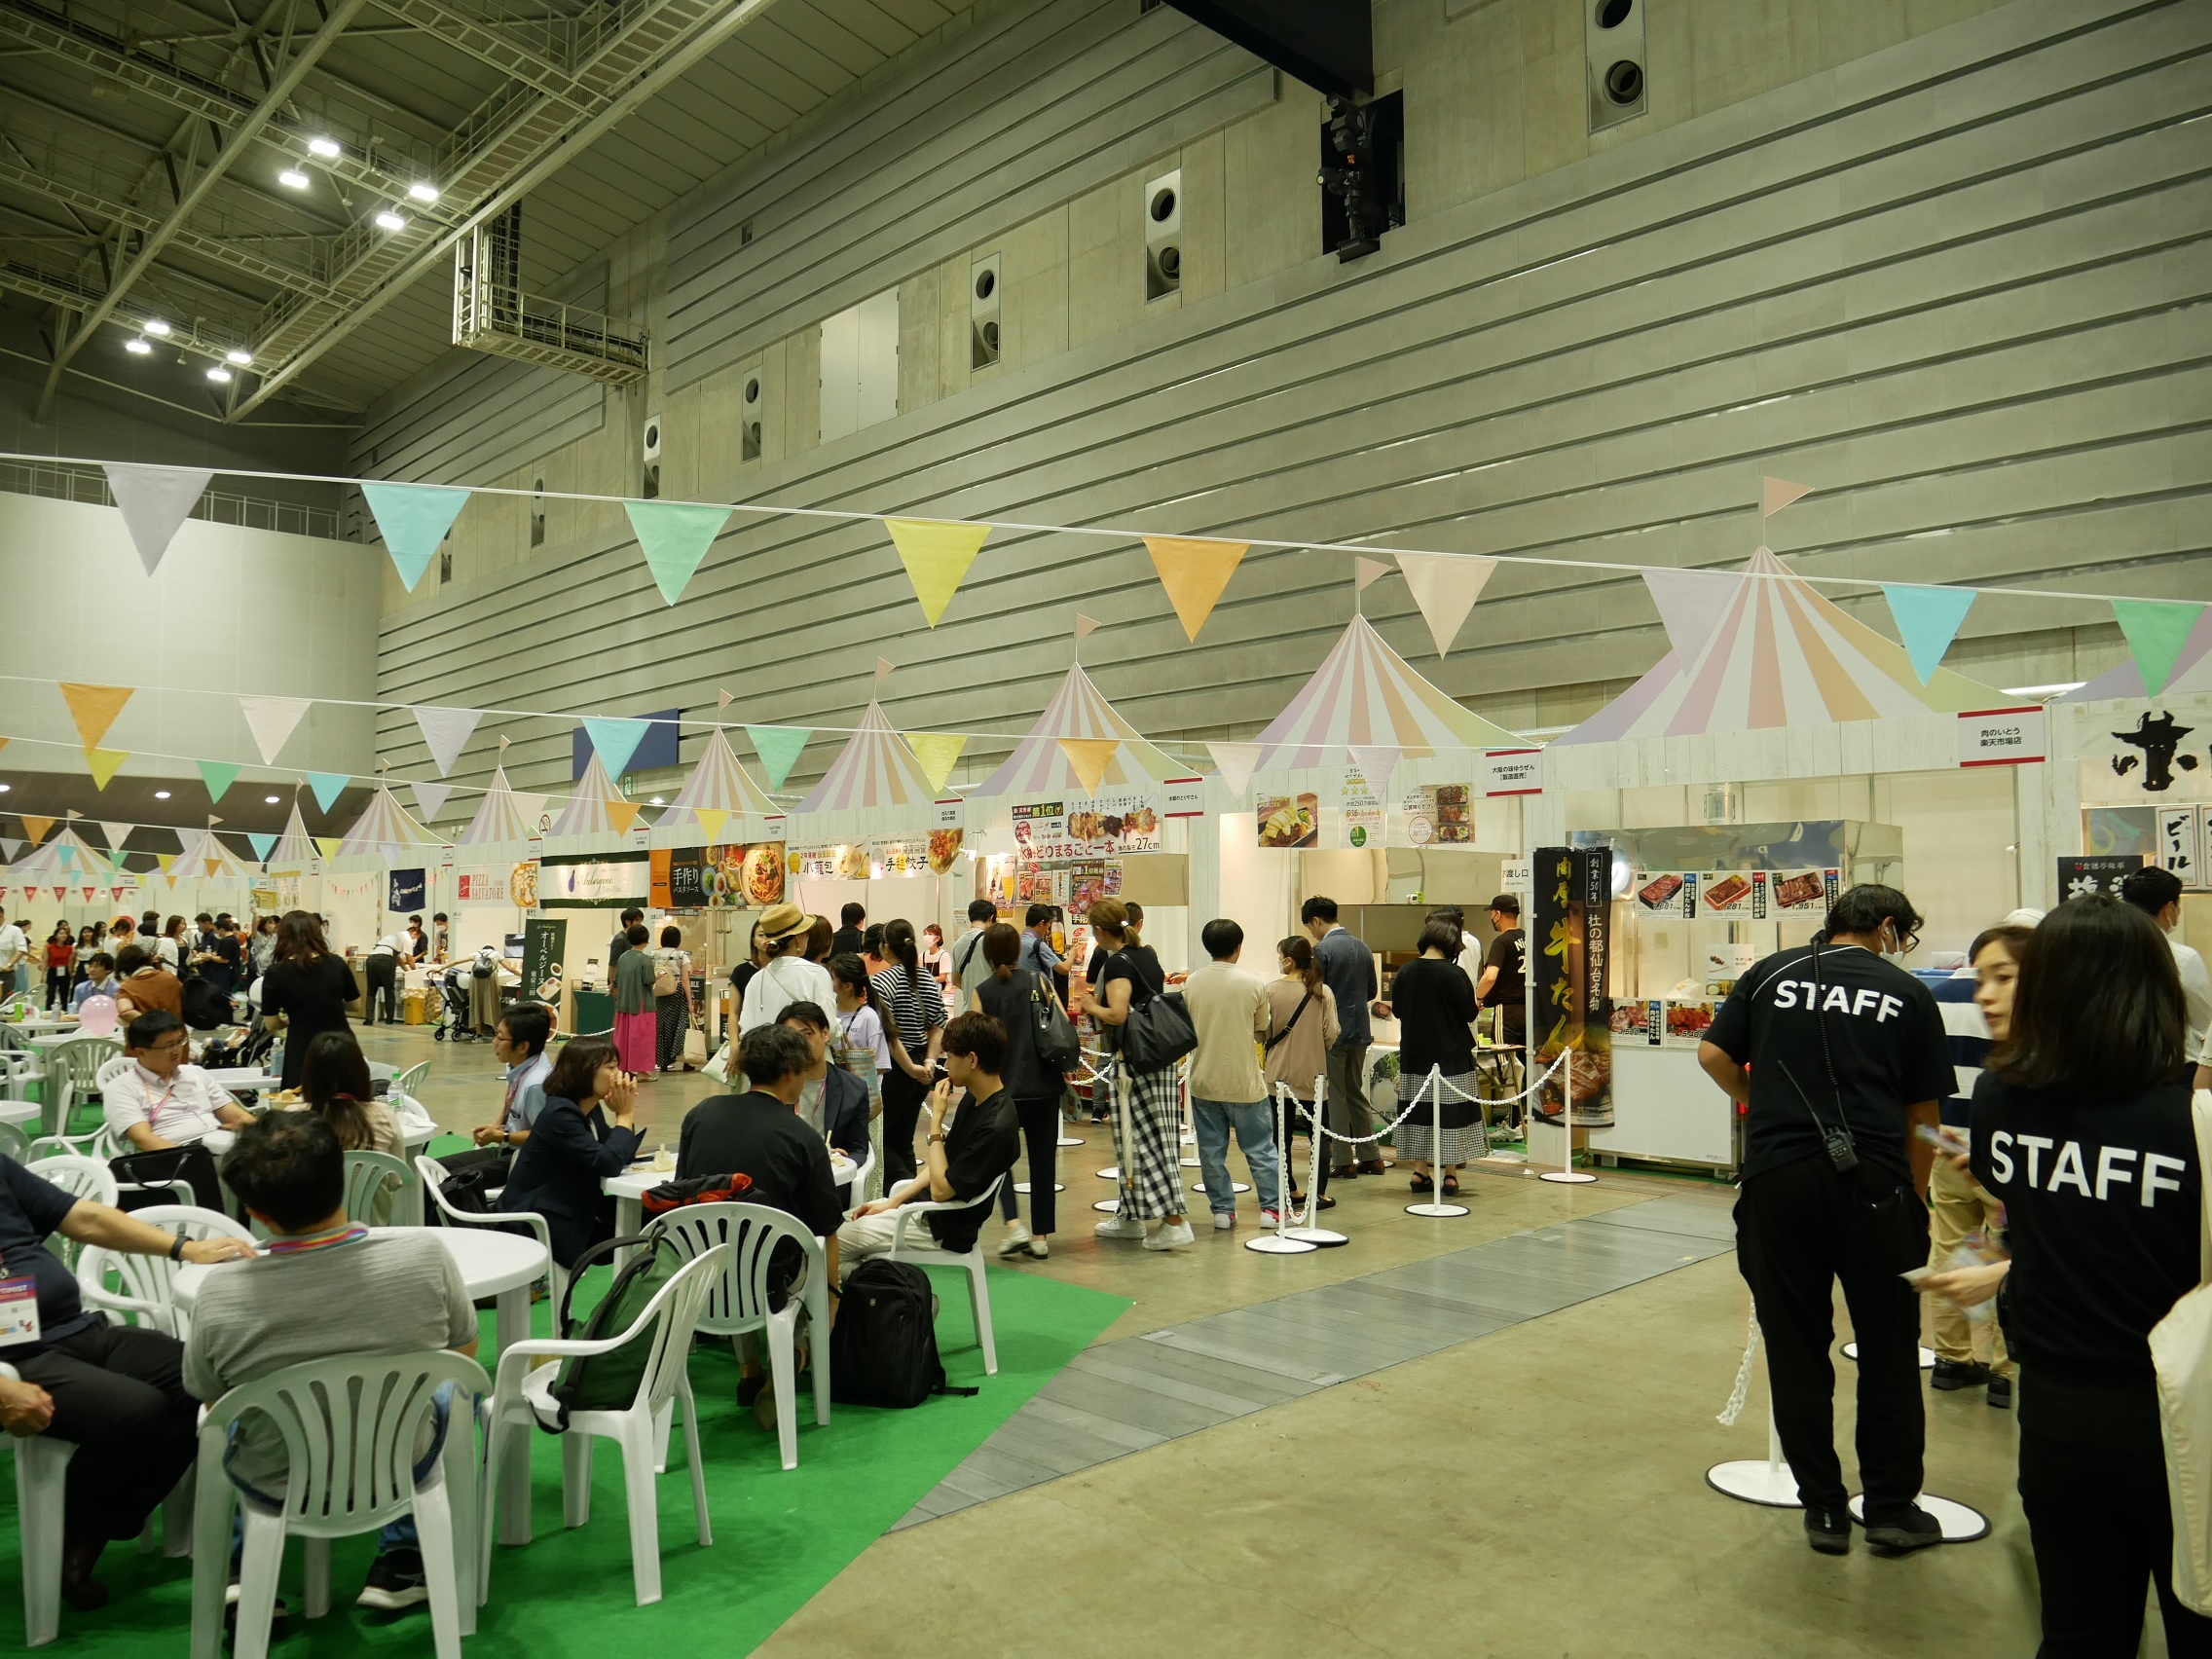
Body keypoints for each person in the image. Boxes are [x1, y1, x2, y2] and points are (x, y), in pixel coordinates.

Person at [1929, 895, 2212, 1656]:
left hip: (2057, 1409)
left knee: (2081, 1630)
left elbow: (2049, 1221)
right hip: (2183, 1410)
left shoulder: (2001, 1099)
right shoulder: (2191, 1122)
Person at [1698, 884, 1953, 1557]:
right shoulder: (1908, 994)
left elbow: (1713, 1055)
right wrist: (1914, 1197)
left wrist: (1762, 1103)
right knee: (1888, 1349)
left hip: (1779, 1183)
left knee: (1797, 1347)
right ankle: (1891, 1510)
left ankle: (1824, 1511)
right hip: (1877, 1189)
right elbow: (1924, 1116)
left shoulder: (1770, 974)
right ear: (1888, 927)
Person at [185, 1111, 477, 1615]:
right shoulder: (425, 1258)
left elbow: (214, 1401)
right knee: (455, 1392)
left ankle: (243, 1574)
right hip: (398, 1462)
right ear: (343, 1176)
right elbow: (461, 1357)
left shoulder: (218, 1294)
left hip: (275, 1479)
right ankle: (403, 1559)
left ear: (256, 1212)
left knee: (233, 1422)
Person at [0, 1154, 254, 1608]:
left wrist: (183, 1248)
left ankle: (106, 1517)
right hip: (13, 1361)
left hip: (76, 1329)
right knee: (135, 1410)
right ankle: (70, 1546)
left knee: (202, 1377)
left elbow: (85, 1217)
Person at [676, 1024, 845, 1420]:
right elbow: (827, 1230)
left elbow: (684, 1193)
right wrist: (833, 1297)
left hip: (701, 1275)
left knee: (733, 1241)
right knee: (799, 1261)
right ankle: (797, 1353)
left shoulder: (699, 1116)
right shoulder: (802, 1137)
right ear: (790, 1073)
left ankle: (749, 1370)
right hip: (767, 1281)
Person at [1920, 921, 2034, 1407]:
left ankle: (1951, 1359)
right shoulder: (2023, 1011)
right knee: (2006, 1249)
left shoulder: (1938, 996)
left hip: (1949, 1142)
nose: (1990, 993)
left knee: (1950, 1246)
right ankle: (2006, 1371)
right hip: (2003, 1148)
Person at [837, 1011, 1019, 1278]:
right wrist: (893, 1202)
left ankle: (890, 1293)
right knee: (837, 1225)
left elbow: (941, 1190)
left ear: (972, 1060)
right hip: (924, 1214)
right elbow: (943, 1163)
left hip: (941, 1228)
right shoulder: (976, 1099)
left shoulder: (996, 1126)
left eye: (951, 1056)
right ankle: (887, 1292)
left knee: (832, 1243)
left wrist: (936, 1126)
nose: (946, 1063)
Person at [1087, 898, 1193, 1250]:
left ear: (1099, 930)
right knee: (1139, 1139)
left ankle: (1174, 1222)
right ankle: (1130, 1216)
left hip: (1136, 1063)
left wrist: (1091, 1005)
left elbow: (1117, 1014)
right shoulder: (1146, 954)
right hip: (1155, 1059)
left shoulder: (1118, 962)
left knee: (1147, 1141)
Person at [497, 1035, 641, 1268]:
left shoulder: (590, 1109)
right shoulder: (560, 1114)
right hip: (542, 1222)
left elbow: (620, 1155)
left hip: (574, 1207)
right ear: (584, 1072)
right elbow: (609, 1163)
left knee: (651, 1211)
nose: (619, 1075)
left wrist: (622, 1116)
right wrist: (625, 1114)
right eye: (611, 1067)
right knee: (645, 1224)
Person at [970, 922, 1070, 1259]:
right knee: (1044, 1163)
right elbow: (1060, 1021)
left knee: (998, 1160)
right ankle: (1041, 1237)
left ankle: (1014, 1224)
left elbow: (974, 1044)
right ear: (1018, 951)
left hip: (1003, 1091)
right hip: (1044, 1086)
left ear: (987, 954)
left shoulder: (982, 992)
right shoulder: (1039, 981)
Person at [1180, 918, 1284, 1231]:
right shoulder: (1252, 984)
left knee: (1211, 1152)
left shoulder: (1191, 983)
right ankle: (1272, 1210)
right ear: (1238, 947)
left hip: (1203, 1080)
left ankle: (1223, 1212)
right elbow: (1261, 1028)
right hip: (1245, 1083)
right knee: (1260, 1149)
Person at [1391, 916, 1487, 1196]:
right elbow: (1469, 1013)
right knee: (1451, 1114)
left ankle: (1420, 1171)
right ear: (1451, 944)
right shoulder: (1454, 974)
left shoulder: (1406, 971)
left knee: (1419, 1111)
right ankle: (1451, 1175)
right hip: (1451, 1056)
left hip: (1414, 1054)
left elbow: (1397, 1010)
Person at [1304, 897, 1385, 1180]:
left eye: (1310, 926)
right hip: (1360, 1030)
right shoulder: (1363, 947)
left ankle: (1343, 1161)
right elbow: (1372, 991)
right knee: (1356, 1092)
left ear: (1316, 920)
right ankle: (1371, 1157)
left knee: (1336, 1095)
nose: (1311, 932)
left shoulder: (1321, 950)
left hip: (1332, 1032)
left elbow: (1315, 992)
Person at [103, 1009, 254, 1156]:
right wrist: (189, 1158)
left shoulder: (196, 1073)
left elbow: (238, 1117)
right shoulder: (121, 1088)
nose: (177, 1050)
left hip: (221, 1145)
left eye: (180, 1041)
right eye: (169, 1045)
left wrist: (259, 1133)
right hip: (178, 1153)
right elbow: (143, 1139)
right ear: (141, 1052)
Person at [1266, 935, 1340, 1209]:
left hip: (1277, 1075)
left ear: (1289, 960)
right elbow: (1331, 1033)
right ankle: (1319, 1193)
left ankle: (1288, 1191)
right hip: (1313, 1075)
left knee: (1280, 1137)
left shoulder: (1270, 991)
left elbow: (1262, 1031)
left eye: (1280, 957)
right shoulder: (1323, 992)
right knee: (1319, 1136)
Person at [871, 918, 946, 1187]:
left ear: (885, 947)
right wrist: (929, 1062)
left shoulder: (881, 981)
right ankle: (910, 1195)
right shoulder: (925, 977)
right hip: (921, 1065)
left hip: (896, 1067)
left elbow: (889, 1034)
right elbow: (938, 1024)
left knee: (881, 1140)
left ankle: (901, 1193)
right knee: (903, 1140)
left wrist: (910, 1068)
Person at [258, 910, 360, 1092]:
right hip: (341, 1043)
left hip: (302, 1047)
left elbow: (271, 1023)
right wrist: (330, 1004)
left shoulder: (276, 972)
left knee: (301, 1100)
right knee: (347, 1098)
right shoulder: (337, 963)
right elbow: (355, 1005)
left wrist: (285, 1021)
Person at [452, 1003, 556, 1177]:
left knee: (453, 1181)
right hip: (508, 1147)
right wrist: (497, 1126)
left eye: (500, 1037)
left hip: (527, 1161)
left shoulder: (536, 1085)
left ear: (523, 1047)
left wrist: (502, 1136)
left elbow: (546, 1137)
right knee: (437, 1168)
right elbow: (512, 1101)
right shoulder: (521, 1063)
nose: (494, 1042)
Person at [2121, 865, 2212, 1054]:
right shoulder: (2184, 958)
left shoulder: (2111, 952)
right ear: (2169, 908)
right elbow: (2204, 1022)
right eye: (2178, 905)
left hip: (2123, 1059)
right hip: (2179, 1060)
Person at [777, 1002, 870, 1164]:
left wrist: (839, 1161)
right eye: (793, 1038)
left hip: (830, 1172)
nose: (801, 1044)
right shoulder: (774, 1085)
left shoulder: (854, 1089)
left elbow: (858, 1149)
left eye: (807, 1034)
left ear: (825, 1034)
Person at [297, 1029, 406, 1157]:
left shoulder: (294, 1120)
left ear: (310, 1076)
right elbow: (400, 1167)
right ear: (361, 1073)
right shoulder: (384, 1116)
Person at [830, 953, 888, 1112]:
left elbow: (881, 1065)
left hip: (861, 1101)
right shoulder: (829, 1013)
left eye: (832, 978)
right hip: (834, 1097)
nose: (828, 982)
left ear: (847, 986)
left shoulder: (868, 1017)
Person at [1473, 894, 1527, 1047]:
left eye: (1491, 913)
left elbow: (1490, 976)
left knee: (1506, 1057)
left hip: (1507, 1012)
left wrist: (1478, 998)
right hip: (1529, 1010)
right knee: (1527, 1058)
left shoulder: (1502, 942)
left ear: (1497, 914)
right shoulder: (1528, 938)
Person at [612, 922, 659, 1077]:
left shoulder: (622, 958)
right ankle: (642, 1071)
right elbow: (649, 980)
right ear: (646, 941)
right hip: (642, 1005)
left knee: (623, 1038)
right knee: (642, 1039)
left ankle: (623, 1067)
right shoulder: (645, 959)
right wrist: (657, 977)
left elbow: (617, 979)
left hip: (624, 1004)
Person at [651, 924, 695, 1073]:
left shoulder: (654, 954)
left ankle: (663, 1062)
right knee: (681, 1027)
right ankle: (685, 1061)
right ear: (677, 940)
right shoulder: (681, 956)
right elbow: (685, 980)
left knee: (662, 1027)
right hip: (676, 994)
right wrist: (690, 1002)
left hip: (659, 995)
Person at [111, 943, 183, 1020]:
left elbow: (125, 1012)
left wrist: (149, 1023)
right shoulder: (170, 977)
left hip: (149, 1027)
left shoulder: (127, 989)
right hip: (179, 1026)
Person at [947, 899, 997, 993]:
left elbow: (955, 980)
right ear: (991, 918)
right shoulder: (990, 941)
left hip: (968, 1002)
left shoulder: (958, 943)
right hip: (989, 1001)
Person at [363, 922, 405, 1025]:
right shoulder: (403, 940)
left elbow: (398, 959)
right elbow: (405, 958)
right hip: (385, 960)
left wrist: (406, 969)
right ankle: (389, 1019)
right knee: (389, 990)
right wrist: (409, 971)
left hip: (371, 959)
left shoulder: (386, 940)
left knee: (371, 992)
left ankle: (369, 1019)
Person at [0, 906, 31, 999]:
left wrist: (9, 964)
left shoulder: (14, 931)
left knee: (5, 1001)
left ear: (2, 916)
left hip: (5, 974)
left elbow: (21, 950)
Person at [43, 921, 74, 1010]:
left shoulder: (69, 948)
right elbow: (45, 960)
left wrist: (71, 972)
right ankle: (48, 1011)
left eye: (65, 934)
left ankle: (64, 1011)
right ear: (56, 936)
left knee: (64, 994)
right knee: (51, 994)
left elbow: (71, 961)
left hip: (64, 971)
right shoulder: (50, 947)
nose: (63, 935)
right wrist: (43, 974)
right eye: (61, 933)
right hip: (52, 971)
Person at [608, 906, 644, 977]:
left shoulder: (633, 937)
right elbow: (613, 964)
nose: (640, 924)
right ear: (627, 922)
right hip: (621, 980)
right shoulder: (620, 939)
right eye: (637, 920)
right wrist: (612, 981)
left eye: (641, 921)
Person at [921, 923, 949, 990]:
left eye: (930, 934)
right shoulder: (922, 956)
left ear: (937, 938)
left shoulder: (944, 955)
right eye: (925, 934)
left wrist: (929, 980)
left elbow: (943, 977)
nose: (926, 936)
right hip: (925, 992)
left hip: (939, 991)